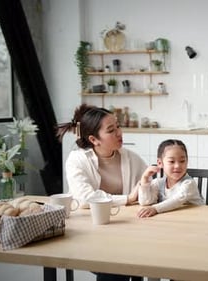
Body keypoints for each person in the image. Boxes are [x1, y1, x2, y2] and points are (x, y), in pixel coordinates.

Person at [56, 103, 146, 281]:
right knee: (115, 265)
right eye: (111, 130)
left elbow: (148, 189)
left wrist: (148, 186)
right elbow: (85, 198)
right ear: (94, 139)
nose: (119, 133)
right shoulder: (77, 160)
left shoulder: (131, 157)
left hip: (127, 230)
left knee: (136, 257)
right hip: (90, 232)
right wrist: (127, 198)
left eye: (118, 126)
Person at [137, 139, 204, 218]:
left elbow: (176, 201)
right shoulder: (158, 183)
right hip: (173, 219)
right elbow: (145, 202)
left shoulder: (189, 183)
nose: (177, 166)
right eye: (172, 161)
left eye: (182, 161)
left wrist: (155, 208)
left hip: (193, 219)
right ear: (160, 163)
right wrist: (144, 179)